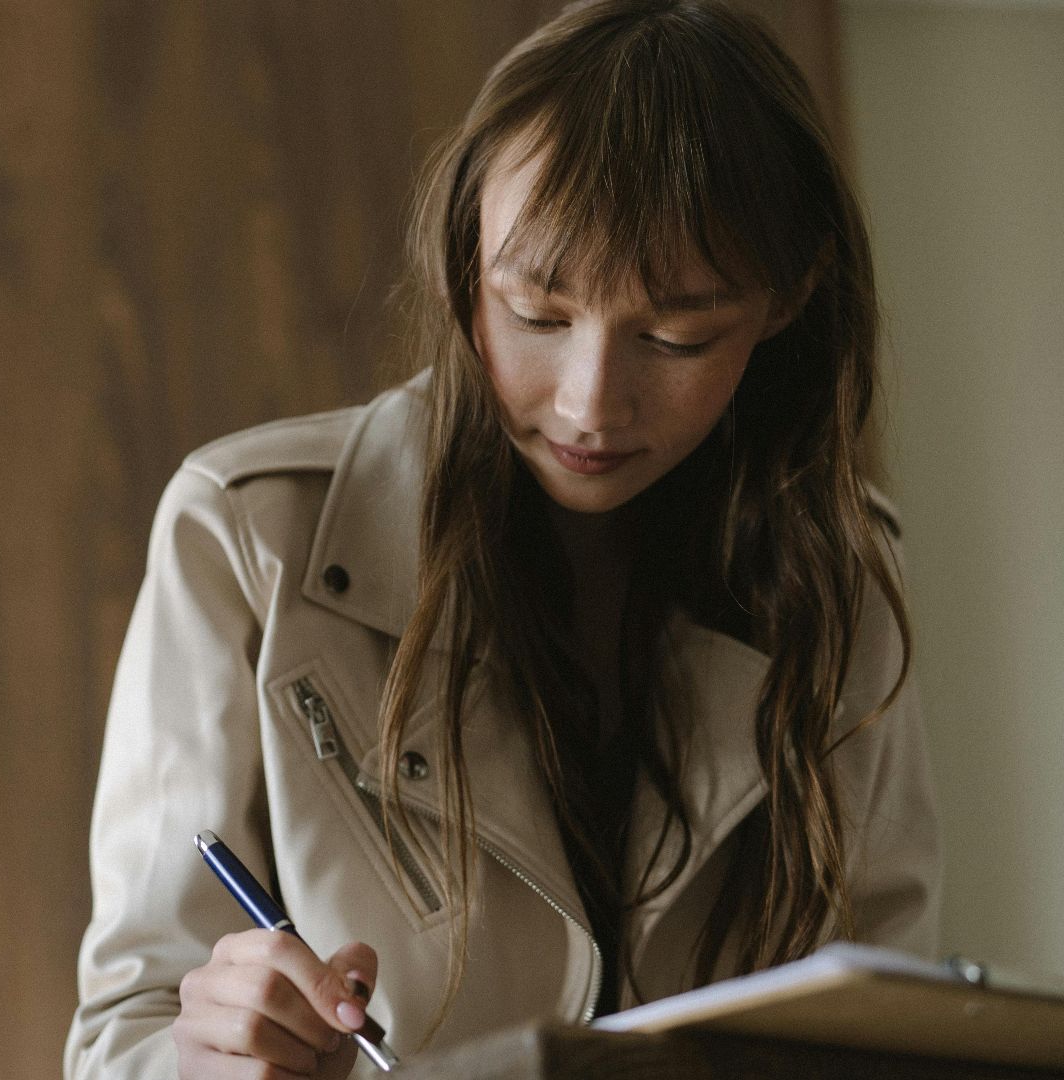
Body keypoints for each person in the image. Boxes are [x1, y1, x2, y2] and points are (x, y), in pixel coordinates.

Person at [65, 2, 940, 1077]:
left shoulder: (841, 577)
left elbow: (893, 1019)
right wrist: (211, 1058)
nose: (590, 406)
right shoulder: (248, 535)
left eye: (677, 337)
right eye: (535, 313)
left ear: (790, 300)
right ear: (459, 259)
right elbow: (123, 1038)